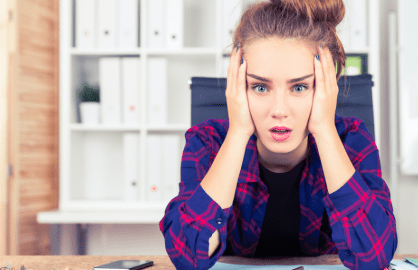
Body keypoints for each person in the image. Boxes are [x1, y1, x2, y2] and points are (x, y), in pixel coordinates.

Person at [159, 0, 397, 269]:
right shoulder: (208, 143)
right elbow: (187, 257)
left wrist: (325, 130)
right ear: (238, 87)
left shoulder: (351, 140)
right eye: (260, 87)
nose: (279, 110)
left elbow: (374, 256)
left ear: (327, 88)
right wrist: (238, 132)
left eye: (299, 87)